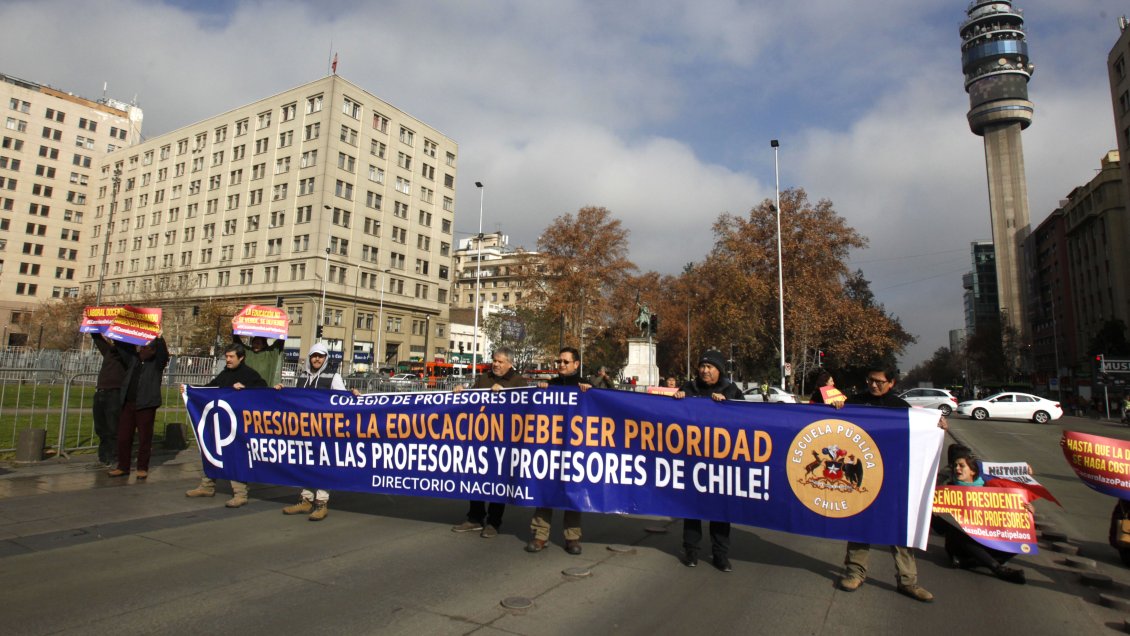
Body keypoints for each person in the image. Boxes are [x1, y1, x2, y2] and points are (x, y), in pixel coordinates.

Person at [837, 364, 945, 602]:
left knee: (899, 529)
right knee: (859, 524)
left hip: (894, 478)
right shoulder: (854, 402)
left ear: (892, 383)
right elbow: (834, 425)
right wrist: (836, 409)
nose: (874, 385)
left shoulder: (901, 408)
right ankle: (855, 573)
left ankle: (908, 581)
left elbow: (919, 435)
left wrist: (935, 427)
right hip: (864, 476)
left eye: (879, 381)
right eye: (870, 380)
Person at [673, 350, 744, 572]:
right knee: (692, 508)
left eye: (710, 367)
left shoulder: (731, 390)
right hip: (692, 460)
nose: (705, 370)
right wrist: (676, 400)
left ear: (719, 370)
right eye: (702, 366)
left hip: (720, 463)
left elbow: (746, 419)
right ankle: (691, 551)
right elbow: (670, 419)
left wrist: (728, 404)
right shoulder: (688, 388)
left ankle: (720, 554)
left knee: (720, 510)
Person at [450, 347, 528, 538]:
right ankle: (475, 517)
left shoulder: (518, 381)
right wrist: (462, 392)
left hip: (503, 440)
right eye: (494, 360)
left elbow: (526, 406)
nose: (496, 364)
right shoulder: (484, 379)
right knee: (476, 478)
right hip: (480, 439)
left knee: (497, 480)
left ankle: (494, 522)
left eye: (500, 361)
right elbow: (472, 401)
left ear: (510, 363)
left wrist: (506, 392)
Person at [276, 342, 357, 521]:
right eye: (314, 355)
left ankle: (321, 503)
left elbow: (342, 401)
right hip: (305, 431)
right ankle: (305, 499)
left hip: (325, 431)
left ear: (325, 358)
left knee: (322, 466)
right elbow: (295, 399)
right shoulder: (303, 377)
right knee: (304, 463)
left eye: (320, 356)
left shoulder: (332, 376)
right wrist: (281, 392)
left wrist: (353, 395)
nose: (317, 359)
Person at [183, 343, 268, 507]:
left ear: (241, 358)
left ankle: (240, 493)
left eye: (231, 357)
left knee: (236, 457)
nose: (227, 360)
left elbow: (262, 389)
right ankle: (207, 486)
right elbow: (210, 388)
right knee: (212, 452)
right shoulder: (225, 373)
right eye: (226, 357)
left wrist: (245, 389)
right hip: (220, 424)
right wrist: (191, 390)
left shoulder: (249, 374)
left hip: (239, 427)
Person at [526, 347, 591, 555]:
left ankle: (572, 538)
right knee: (545, 489)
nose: (560, 365)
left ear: (576, 364)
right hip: (550, 447)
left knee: (572, 493)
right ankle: (540, 535)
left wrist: (591, 391)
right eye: (558, 362)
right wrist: (541, 388)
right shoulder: (550, 385)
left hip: (574, 449)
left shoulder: (586, 386)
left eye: (565, 362)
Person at [936, 445, 1028, 584]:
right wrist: (937, 512)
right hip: (960, 544)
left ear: (972, 471)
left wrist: (1025, 511)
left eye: (961, 465)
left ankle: (967, 563)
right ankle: (997, 568)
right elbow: (939, 528)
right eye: (955, 466)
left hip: (986, 540)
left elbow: (1005, 515)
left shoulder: (988, 489)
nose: (957, 469)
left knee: (1020, 540)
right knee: (957, 529)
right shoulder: (948, 491)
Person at [107, 336, 169, 480]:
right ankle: (123, 466)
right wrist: (114, 333)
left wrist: (160, 339)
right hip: (128, 403)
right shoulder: (133, 359)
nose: (143, 349)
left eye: (147, 347)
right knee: (123, 437)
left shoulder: (156, 364)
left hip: (146, 404)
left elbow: (163, 354)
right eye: (143, 347)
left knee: (144, 438)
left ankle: (142, 467)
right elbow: (122, 348)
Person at [91, 333, 127, 468]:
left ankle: (113, 456)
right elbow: (98, 339)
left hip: (115, 393)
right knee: (101, 427)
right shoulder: (109, 352)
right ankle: (103, 455)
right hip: (101, 392)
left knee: (113, 428)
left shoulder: (127, 356)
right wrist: (92, 323)